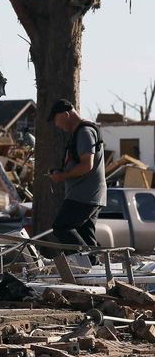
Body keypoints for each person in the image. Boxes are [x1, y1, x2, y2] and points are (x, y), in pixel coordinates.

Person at [48, 99, 106, 263]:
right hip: (90, 195)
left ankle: (84, 263)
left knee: (61, 227)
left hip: (83, 195)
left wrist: (63, 176)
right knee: (85, 235)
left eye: (56, 120)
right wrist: (61, 171)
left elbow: (87, 165)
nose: (57, 125)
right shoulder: (80, 133)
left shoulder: (85, 132)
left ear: (66, 114)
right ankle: (94, 271)